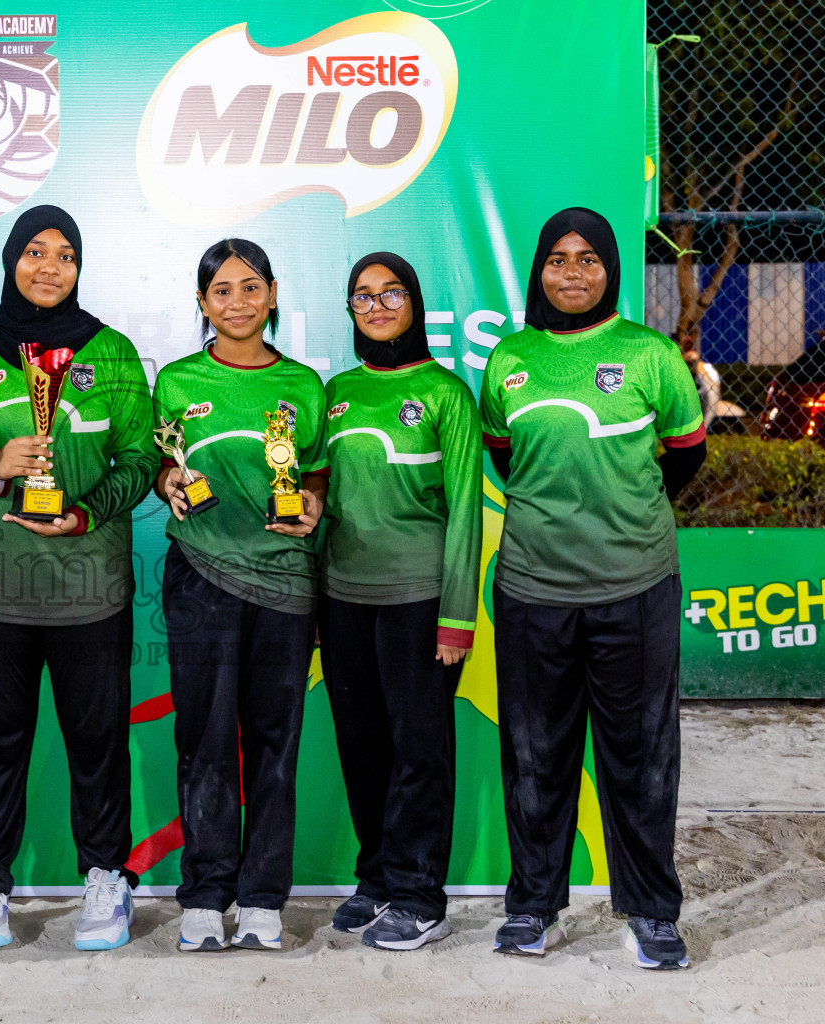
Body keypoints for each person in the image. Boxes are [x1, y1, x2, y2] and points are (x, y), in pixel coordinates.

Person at [0, 205, 157, 951]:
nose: (49, 267)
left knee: (97, 742)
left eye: (64, 255)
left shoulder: (112, 356)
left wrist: (87, 515)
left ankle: (105, 878)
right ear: (10, 260)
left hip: (90, 591)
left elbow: (143, 462)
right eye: (34, 252)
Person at [479, 208, 706, 970]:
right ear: (538, 270)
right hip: (533, 588)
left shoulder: (648, 355)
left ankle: (651, 912)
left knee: (640, 754)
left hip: (634, 585)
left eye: (588, 259)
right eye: (557, 259)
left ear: (610, 268)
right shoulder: (508, 360)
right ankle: (534, 908)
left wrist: (618, 513)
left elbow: (684, 453)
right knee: (535, 753)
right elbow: (507, 457)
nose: (572, 273)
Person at [152, 238, 328, 953]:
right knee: (203, 741)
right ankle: (204, 895)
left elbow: (312, 475)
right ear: (201, 304)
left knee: (275, 742)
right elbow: (162, 463)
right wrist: (166, 480)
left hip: (284, 582)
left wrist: (311, 502)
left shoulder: (306, 388)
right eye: (221, 291)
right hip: (200, 576)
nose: (237, 303)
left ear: (274, 294)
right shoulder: (175, 381)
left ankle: (261, 900)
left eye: (250, 288)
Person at [319, 251, 481, 950]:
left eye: (391, 293)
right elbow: (318, 495)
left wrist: (456, 617)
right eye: (363, 295)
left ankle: (420, 895)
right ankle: (378, 878)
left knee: (421, 750)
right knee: (361, 746)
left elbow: (468, 510)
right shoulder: (336, 392)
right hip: (342, 598)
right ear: (349, 309)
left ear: (415, 304)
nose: (377, 305)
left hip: (420, 601)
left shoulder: (447, 394)